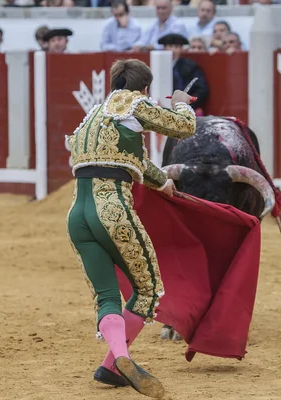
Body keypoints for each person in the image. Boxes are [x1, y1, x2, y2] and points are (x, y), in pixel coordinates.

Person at [64, 58, 196, 398]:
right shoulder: (134, 103)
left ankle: (114, 365)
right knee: (148, 290)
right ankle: (115, 362)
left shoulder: (92, 118)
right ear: (145, 88)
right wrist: (180, 101)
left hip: (77, 216)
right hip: (111, 211)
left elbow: (127, 160)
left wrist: (161, 181)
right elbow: (183, 127)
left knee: (107, 296)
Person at [158, 33, 209, 115]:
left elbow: (201, 89)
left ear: (181, 49)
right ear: (164, 48)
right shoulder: (157, 65)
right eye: (170, 46)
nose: (173, 50)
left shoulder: (190, 66)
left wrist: (186, 105)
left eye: (176, 47)